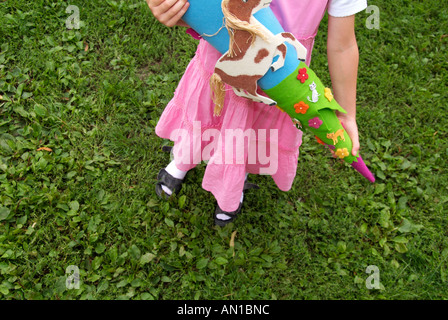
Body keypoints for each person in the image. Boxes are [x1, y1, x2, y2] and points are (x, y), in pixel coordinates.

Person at [146, 0, 367, 226]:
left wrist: (347, 114)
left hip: (282, 78)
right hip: (226, 52)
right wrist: (170, 8)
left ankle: (233, 183)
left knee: (251, 132)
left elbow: (343, 45)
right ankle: (182, 159)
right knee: (205, 112)